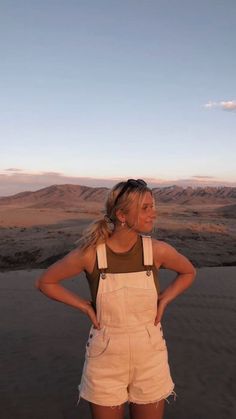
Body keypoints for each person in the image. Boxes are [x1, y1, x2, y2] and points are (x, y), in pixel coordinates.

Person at [35, 178, 196, 419]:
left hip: (149, 354)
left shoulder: (157, 250)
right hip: (105, 359)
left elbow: (188, 271)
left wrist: (164, 300)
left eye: (153, 206)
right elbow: (45, 282)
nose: (153, 214)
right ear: (122, 215)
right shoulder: (91, 253)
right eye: (145, 208)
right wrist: (84, 306)